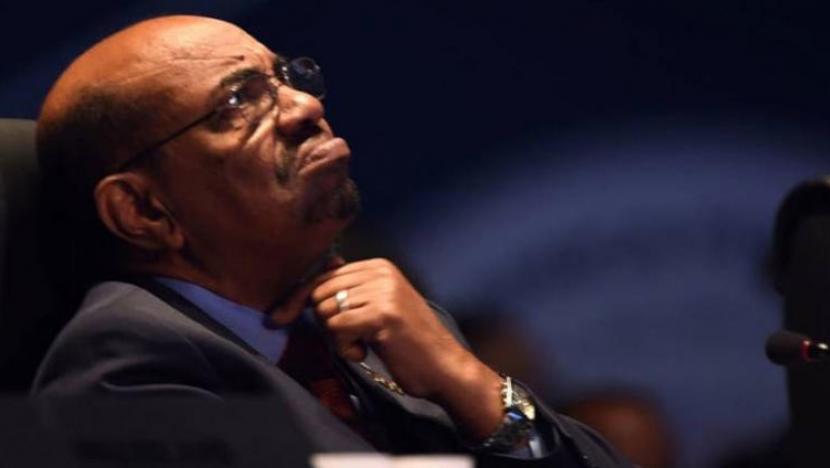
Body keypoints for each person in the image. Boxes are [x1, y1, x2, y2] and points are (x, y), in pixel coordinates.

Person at [31, 15, 631, 467]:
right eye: (238, 102)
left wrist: (469, 383)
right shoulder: (122, 366)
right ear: (142, 210)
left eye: (285, 78)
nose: (304, 107)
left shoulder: (384, 324)